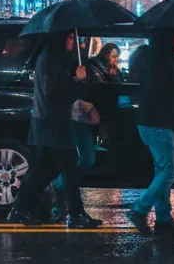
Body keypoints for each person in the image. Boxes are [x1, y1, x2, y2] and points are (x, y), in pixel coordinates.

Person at [8, 32, 102, 229]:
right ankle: (76, 214)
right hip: (52, 121)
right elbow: (54, 91)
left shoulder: (51, 57)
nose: (72, 42)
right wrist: (75, 79)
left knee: (45, 169)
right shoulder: (49, 58)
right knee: (68, 169)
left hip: (49, 121)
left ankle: (20, 208)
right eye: (68, 38)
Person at [127, 26, 174, 235]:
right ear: (168, 37)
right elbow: (160, 90)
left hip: (155, 122)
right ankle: (139, 210)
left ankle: (164, 219)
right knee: (172, 171)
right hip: (157, 123)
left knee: (162, 170)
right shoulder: (159, 60)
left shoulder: (161, 57)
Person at [51, 42, 121, 221]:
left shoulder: (106, 69)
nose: (116, 60)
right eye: (114, 56)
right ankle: (60, 184)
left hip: (92, 119)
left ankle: (63, 188)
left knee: (87, 159)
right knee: (86, 159)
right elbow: (90, 91)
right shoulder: (91, 67)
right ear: (106, 55)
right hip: (82, 117)